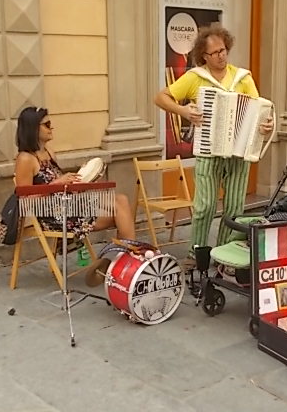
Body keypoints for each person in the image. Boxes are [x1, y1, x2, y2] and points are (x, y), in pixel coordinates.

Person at [154, 25, 273, 267]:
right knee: (205, 205)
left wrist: (266, 125)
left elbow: (259, 111)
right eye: (215, 52)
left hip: (238, 153)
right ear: (204, 56)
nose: (221, 55)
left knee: (234, 207)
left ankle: (223, 255)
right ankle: (196, 254)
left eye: (223, 50)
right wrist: (183, 110)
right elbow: (161, 97)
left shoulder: (243, 77)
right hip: (208, 150)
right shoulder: (195, 77)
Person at [14, 106, 135, 245]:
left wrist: (81, 179)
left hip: (68, 204)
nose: (51, 128)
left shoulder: (49, 152)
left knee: (121, 200)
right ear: (33, 128)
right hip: (51, 215)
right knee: (122, 215)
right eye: (47, 124)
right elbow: (24, 200)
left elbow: (60, 185)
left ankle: (127, 252)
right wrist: (56, 184)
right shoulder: (25, 159)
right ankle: (130, 252)